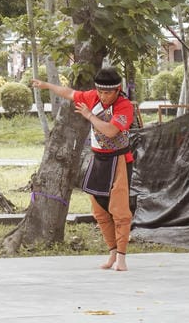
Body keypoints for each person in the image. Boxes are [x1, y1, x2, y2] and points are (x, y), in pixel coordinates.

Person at [34, 67, 134, 272]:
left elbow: (111, 130)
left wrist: (89, 115)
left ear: (118, 90)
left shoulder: (125, 106)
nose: (103, 96)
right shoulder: (92, 97)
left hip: (119, 160)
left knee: (120, 210)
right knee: (99, 211)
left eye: (108, 93)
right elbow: (70, 93)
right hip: (99, 159)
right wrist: (46, 85)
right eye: (100, 92)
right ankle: (112, 253)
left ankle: (122, 258)